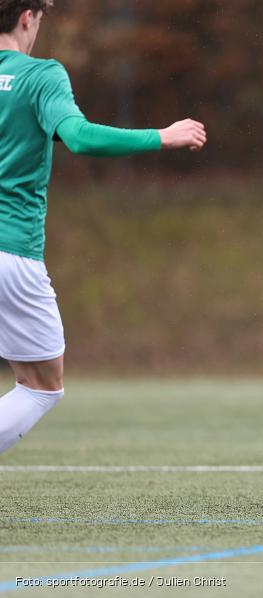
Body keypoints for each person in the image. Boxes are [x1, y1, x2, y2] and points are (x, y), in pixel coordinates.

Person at [0, 1, 206, 456]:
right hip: (10, 249)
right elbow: (80, 136)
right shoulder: (40, 75)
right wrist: (162, 135)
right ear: (27, 17)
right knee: (40, 387)